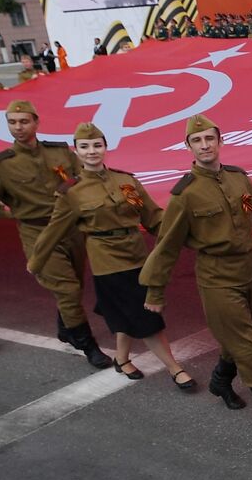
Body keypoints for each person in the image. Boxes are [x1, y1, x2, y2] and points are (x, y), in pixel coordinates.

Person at [140, 114, 252, 429]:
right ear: (188, 146)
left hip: (247, 270)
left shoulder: (238, 179)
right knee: (247, 342)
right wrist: (154, 288)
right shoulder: (185, 194)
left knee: (236, 335)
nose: (204, 145)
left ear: (220, 141)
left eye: (209, 139)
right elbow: (167, 244)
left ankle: (220, 380)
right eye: (197, 140)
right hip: (216, 276)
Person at [30, 123, 192, 389]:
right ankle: (175, 369)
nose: (92, 151)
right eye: (85, 146)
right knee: (145, 316)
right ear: (77, 151)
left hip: (138, 256)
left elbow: (153, 217)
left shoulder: (126, 180)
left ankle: (122, 358)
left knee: (124, 313)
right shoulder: (72, 191)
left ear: (105, 147)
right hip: (107, 261)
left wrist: (184, 234)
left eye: (97, 145)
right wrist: (37, 262)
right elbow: (54, 230)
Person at [0, 100, 112, 368]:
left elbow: (84, 181)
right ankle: (87, 344)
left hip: (71, 230)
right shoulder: (2, 165)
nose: (18, 127)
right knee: (68, 290)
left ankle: (65, 327)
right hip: (36, 232)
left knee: (75, 285)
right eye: (12, 122)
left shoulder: (60, 153)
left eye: (24, 121)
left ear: (36, 122)